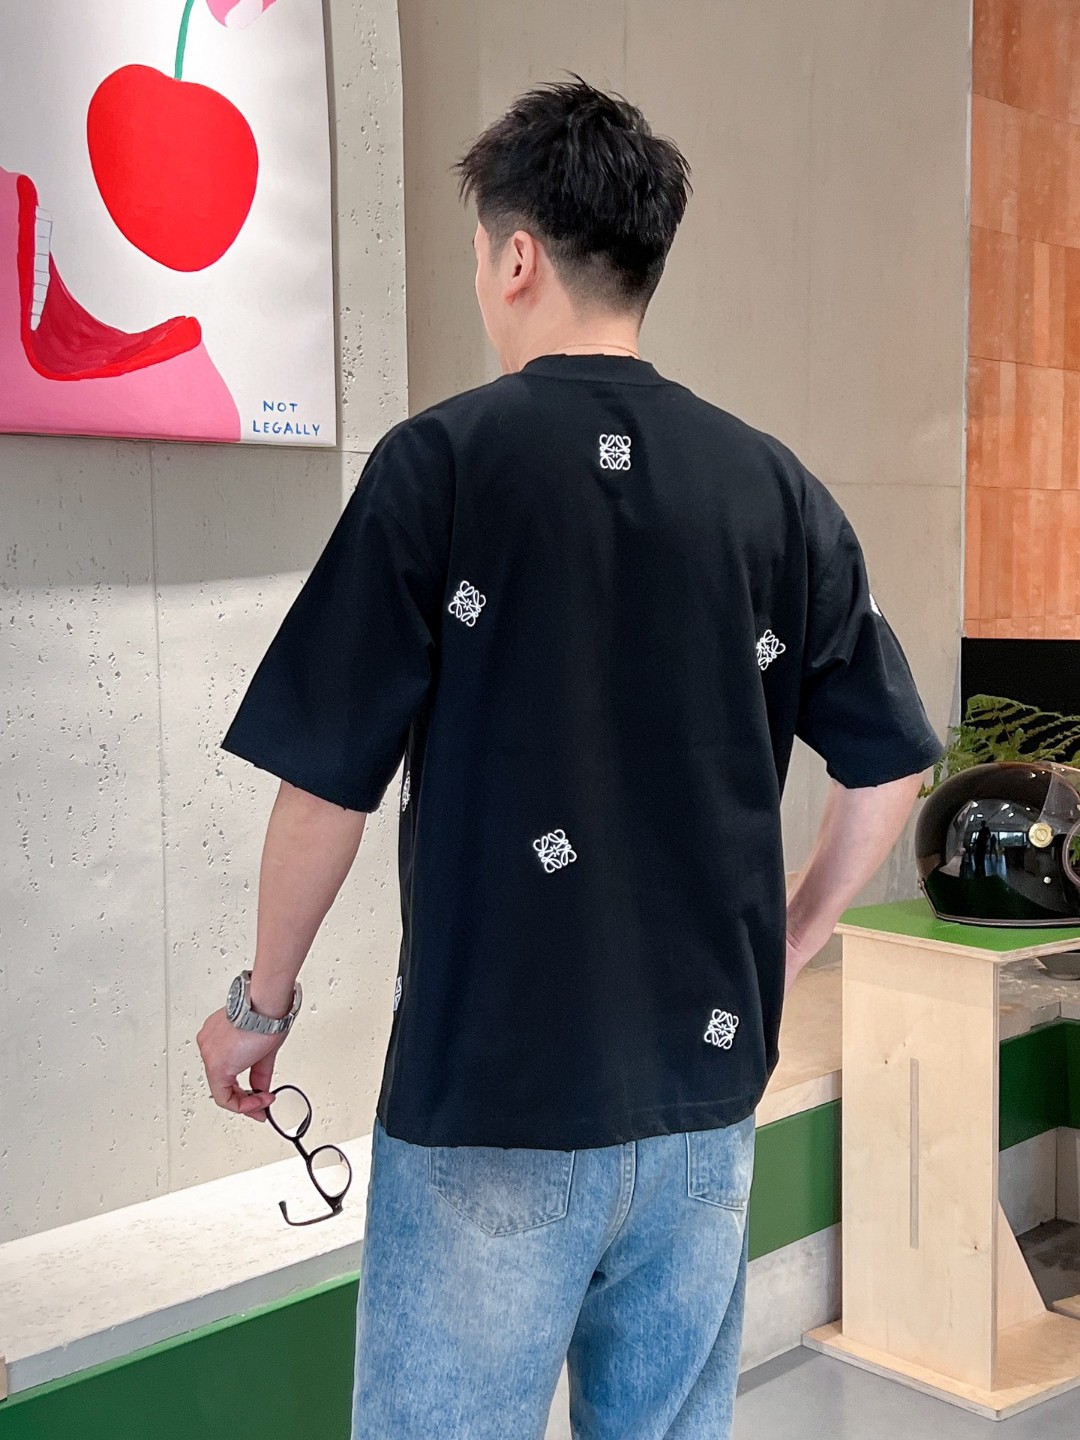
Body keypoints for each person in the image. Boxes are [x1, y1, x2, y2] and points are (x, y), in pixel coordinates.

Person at [197, 76, 942, 1440]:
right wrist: (792, 939)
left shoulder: (441, 466)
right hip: (705, 1097)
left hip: (495, 1093)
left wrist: (262, 1004)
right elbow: (886, 766)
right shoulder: (775, 490)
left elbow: (325, 782)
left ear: (518, 257)